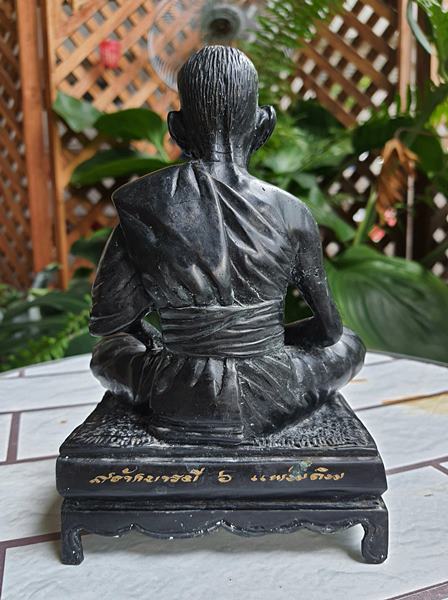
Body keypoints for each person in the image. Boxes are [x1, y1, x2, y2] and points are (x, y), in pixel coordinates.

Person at [89, 46, 365, 443]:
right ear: (264, 124)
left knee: (109, 352)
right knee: (350, 344)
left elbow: (111, 322)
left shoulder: (142, 202)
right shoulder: (292, 211)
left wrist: (178, 338)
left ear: (176, 128)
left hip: (175, 390)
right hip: (275, 390)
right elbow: (328, 331)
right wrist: (260, 338)